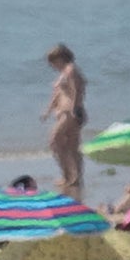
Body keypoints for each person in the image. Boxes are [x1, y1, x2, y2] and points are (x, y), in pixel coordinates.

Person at [43, 45, 88, 199]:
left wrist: (75, 108)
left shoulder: (71, 69)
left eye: (52, 61)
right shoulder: (64, 72)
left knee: (54, 141)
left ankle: (69, 174)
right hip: (64, 112)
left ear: (60, 58)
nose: (52, 65)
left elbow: (78, 89)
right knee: (71, 145)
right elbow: (58, 94)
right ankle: (73, 177)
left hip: (70, 112)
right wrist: (48, 111)